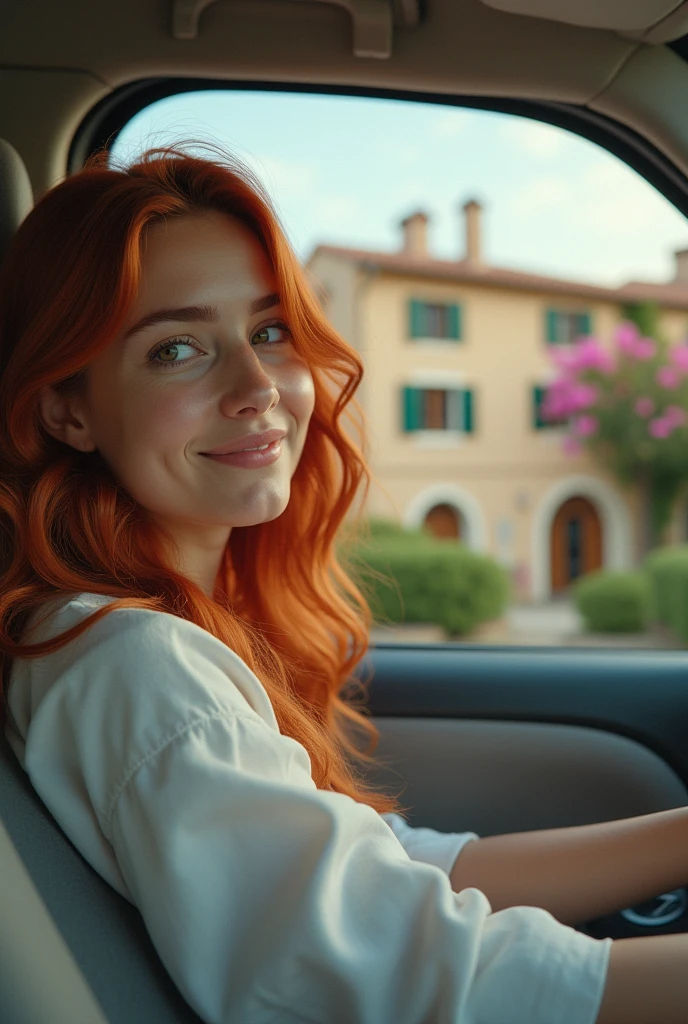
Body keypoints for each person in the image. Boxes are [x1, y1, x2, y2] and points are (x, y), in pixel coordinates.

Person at [0, 143, 685, 1024]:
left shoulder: (162, 629)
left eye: (269, 330)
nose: (258, 388)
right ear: (68, 407)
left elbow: (389, 873)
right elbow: (407, 971)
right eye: (176, 348)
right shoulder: (130, 662)